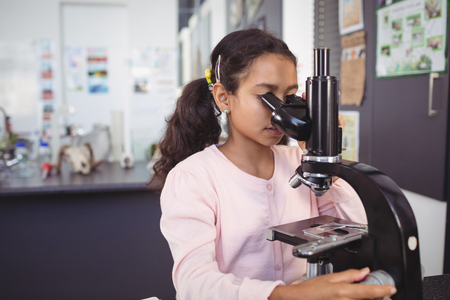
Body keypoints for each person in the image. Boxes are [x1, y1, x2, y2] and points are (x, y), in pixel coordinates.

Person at [151, 28, 396, 300]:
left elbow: (357, 233)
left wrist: (328, 163)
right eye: (267, 96)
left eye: (289, 97)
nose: (282, 113)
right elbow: (194, 285)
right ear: (224, 97)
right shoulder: (193, 177)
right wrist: (286, 295)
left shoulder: (301, 164)